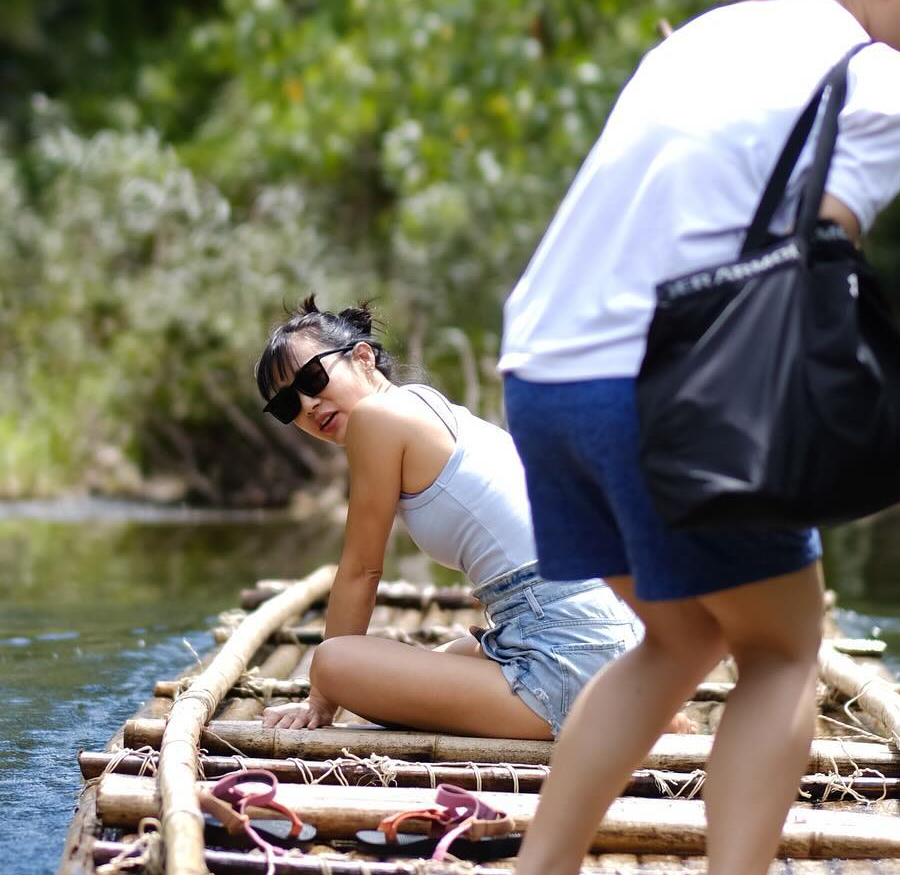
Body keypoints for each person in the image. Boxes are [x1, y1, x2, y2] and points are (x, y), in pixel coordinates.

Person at [490, 0, 900, 875]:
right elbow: (817, 268)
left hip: (542, 374)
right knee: (782, 649)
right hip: (664, 390)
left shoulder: (715, 31)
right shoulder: (882, 78)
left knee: (680, 635)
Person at [254, 298, 696, 740]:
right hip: (611, 629)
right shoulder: (425, 405)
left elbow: (360, 570)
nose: (308, 404)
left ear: (364, 357)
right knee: (456, 652)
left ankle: (621, 712)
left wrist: (320, 700)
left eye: (312, 378)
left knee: (334, 662)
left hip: (568, 647)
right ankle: (636, 701)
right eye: (287, 405)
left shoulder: (377, 419)